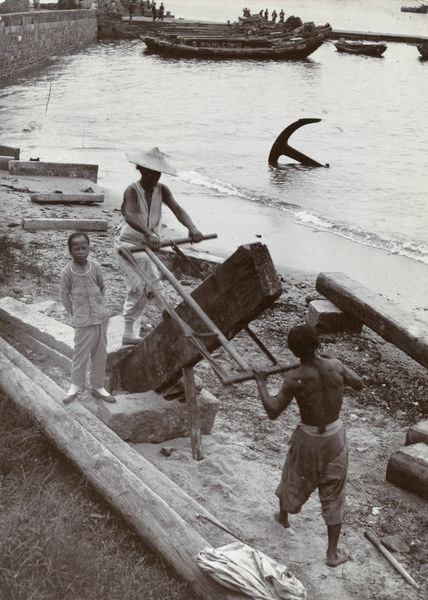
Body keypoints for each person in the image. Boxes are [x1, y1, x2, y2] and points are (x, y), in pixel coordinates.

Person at [254, 325, 363, 568]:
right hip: (335, 437)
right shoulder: (335, 366)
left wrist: (261, 382)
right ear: (318, 343)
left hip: (309, 439)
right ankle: (332, 554)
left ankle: (283, 517)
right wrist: (335, 364)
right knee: (334, 491)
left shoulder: (295, 377)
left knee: (293, 474)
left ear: (292, 350)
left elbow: (273, 411)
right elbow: (359, 384)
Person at [114, 148, 203, 346]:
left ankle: (167, 311)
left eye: (157, 173)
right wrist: (148, 233)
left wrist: (192, 228)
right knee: (139, 285)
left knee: (151, 282)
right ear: (141, 170)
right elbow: (129, 214)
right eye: (150, 172)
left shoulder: (162, 190)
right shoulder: (132, 190)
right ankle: (132, 329)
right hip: (128, 243)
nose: (154, 177)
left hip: (148, 244)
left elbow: (178, 210)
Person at [61, 233, 116, 404]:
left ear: (89, 248)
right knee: (80, 354)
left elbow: (102, 287)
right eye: (76, 249)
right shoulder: (67, 272)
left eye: (84, 248)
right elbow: (64, 296)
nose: (80, 252)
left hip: (100, 319)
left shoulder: (96, 268)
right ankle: (75, 386)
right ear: (70, 250)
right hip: (82, 322)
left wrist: (99, 307)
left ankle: (98, 386)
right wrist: (75, 313)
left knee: (100, 354)